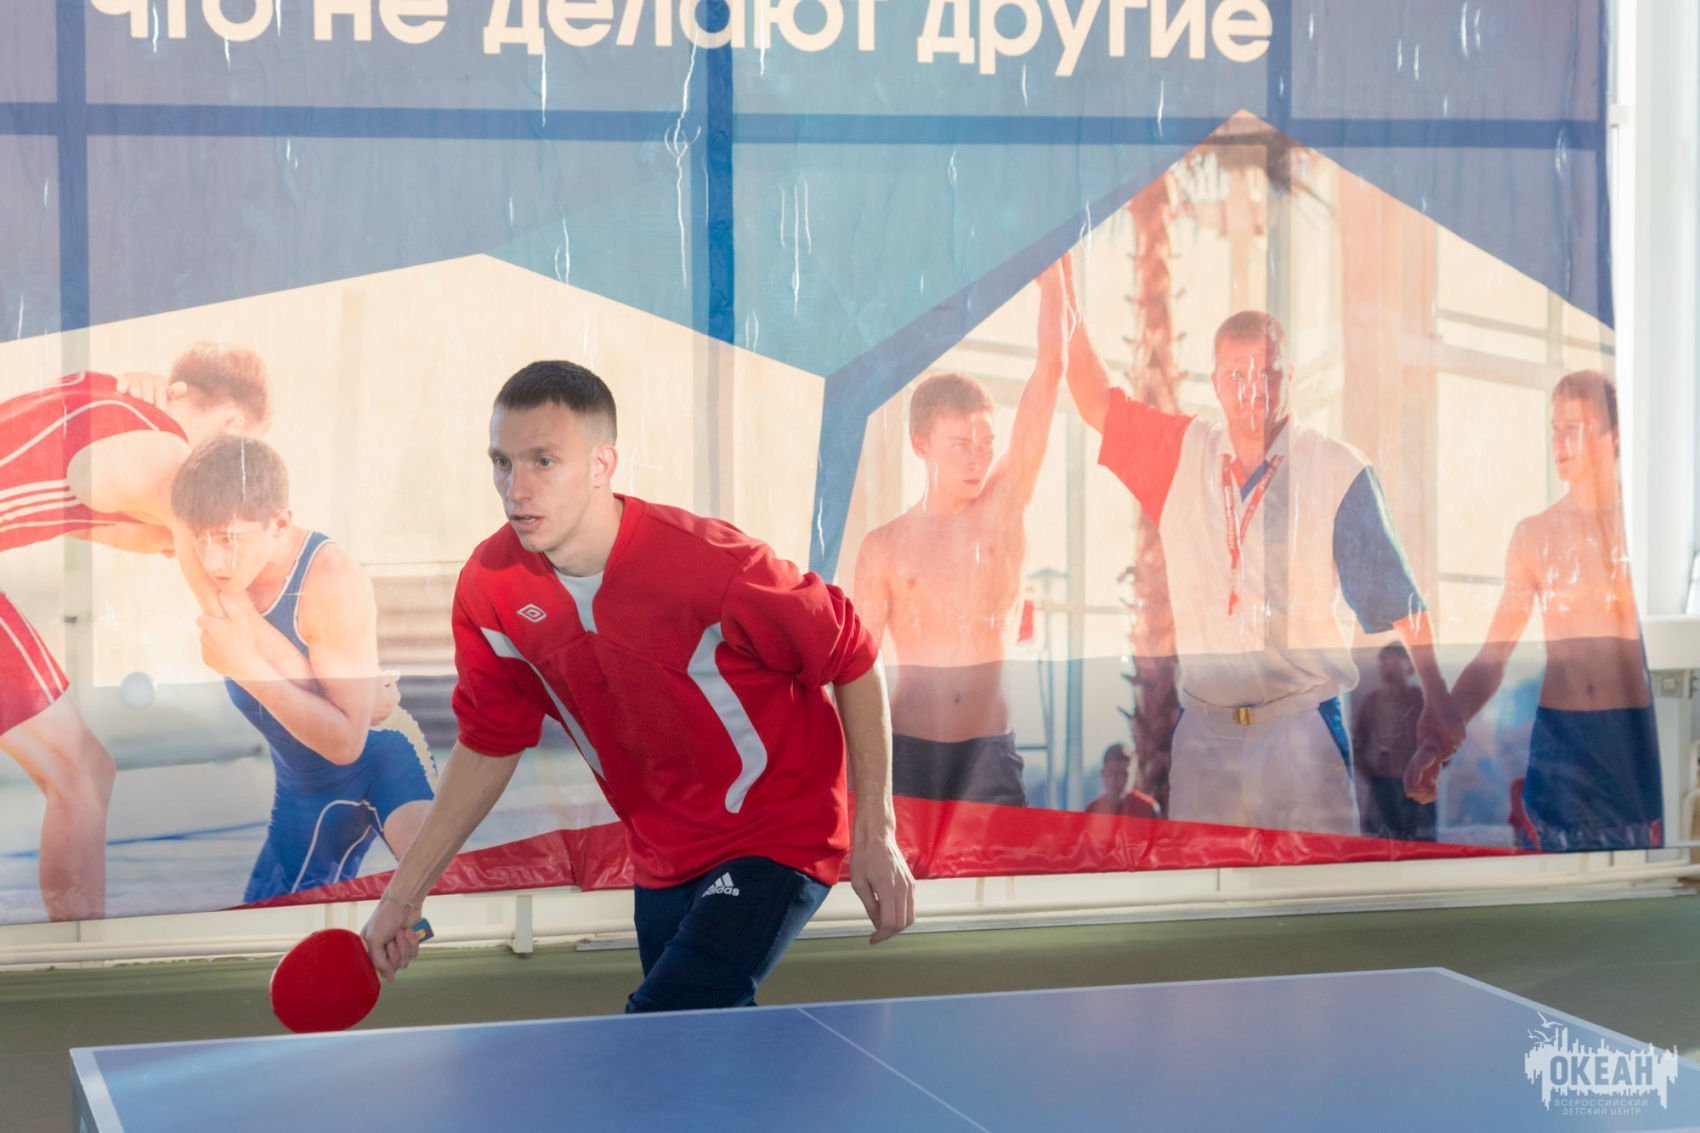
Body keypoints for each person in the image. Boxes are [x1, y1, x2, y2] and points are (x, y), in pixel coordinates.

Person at [363, 361, 914, 1011]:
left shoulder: (712, 565)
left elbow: (853, 655)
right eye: (502, 463)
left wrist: (876, 828)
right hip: (662, 853)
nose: (516, 488)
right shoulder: (491, 589)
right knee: (695, 1047)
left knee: (662, 1021)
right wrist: (404, 894)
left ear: (602, 464)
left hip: (775, 830)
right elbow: (489, 744)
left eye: (543, 461)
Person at [1047, 260, 1464, 835]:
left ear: (1290, 375)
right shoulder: (1183, 453)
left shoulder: (1336, 469)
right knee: (1202, 888)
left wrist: (1438, 699)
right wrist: (1061, 285)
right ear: (1215, 382)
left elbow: (1399, 600)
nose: (1253, 391)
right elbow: (1095, 400)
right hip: (1204, 735)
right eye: (1237, 376)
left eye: (1267, 373)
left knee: (1313, 885)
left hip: (1301, 728)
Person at [0, 349, 269, 920]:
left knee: (81, 771)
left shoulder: (97, 390)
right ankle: (78, 949)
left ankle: (77, 941)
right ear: (233, 425)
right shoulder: (170, 456)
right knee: (80, 773)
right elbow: (203, 555)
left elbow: (77, 503)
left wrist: (165, 535)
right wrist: (277, 673)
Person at [170, 435, 438, 900]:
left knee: (440, 901)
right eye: (200, 539)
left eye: (228, 539)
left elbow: (347, 742)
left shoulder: (330, 579)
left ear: (279, 523)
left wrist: (246, 667)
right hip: (304, 790)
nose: (212, 561)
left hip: (382, 757)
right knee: (265, 930)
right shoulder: (213, 557)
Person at [1409, 372, 1661, 851]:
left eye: (1574, 428)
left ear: (1613, 437)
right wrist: (1436, 742)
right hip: (1561, 741)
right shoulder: (1535, 535)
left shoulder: (1641, 532)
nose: (1559, 443)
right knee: (1557, 878)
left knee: (1640, 877)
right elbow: (1493, 658)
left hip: (1629, 739)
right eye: (1554, 429)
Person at [851, 264, 1068, 808]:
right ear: (921, 445)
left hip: (987, 754)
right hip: (906, 754)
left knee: (1006, 868)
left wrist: (1055, 278)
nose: (978, 460)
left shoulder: (1003, 508)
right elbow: (857, 673)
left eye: (986, 443)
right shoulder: (883, 547)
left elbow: (1050, 371)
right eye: (960, 446)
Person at [1350, 643, 1433, 841]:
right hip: (1384, 785)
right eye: (1384, 662)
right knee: (1381, 845)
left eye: (1396, 661)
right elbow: (1357, 745)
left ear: (1409, 665)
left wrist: (1430, 770)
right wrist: (1374, 777)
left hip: (1418, 785)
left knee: (1423, 846)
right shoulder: (1373, 701)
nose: (1389, 667)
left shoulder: (1421, 699)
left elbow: (1441, 740)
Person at [1085, 742, 1160, 819]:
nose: (1114, 780)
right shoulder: (1092, 810)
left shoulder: (1147, 808)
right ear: (1102, 774)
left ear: (1133, 775)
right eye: (1110, 773)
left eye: (1122, 774)